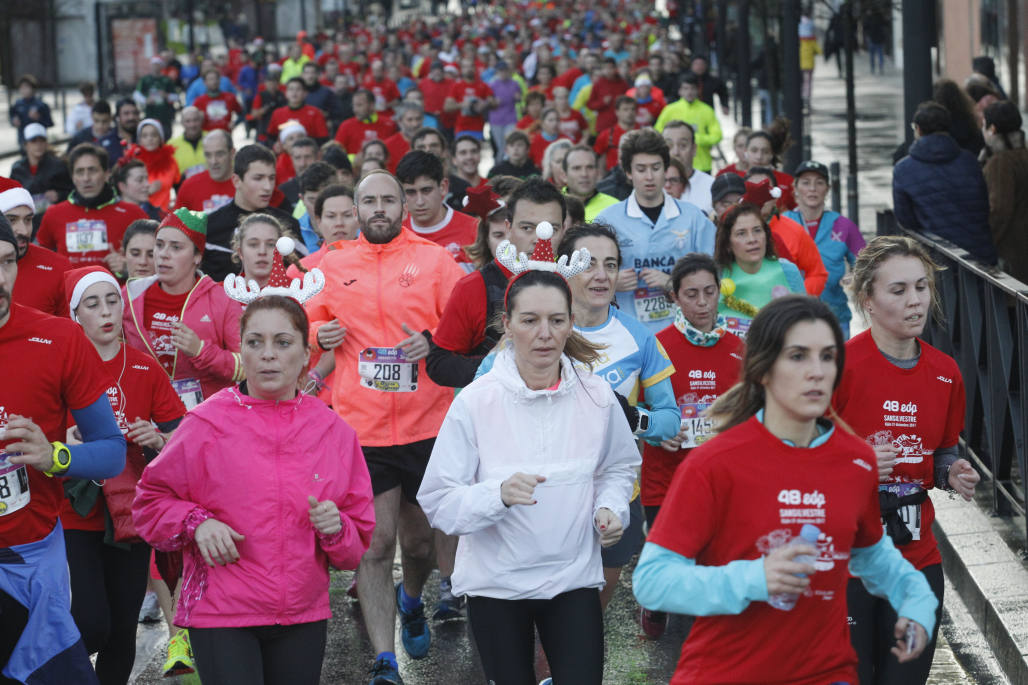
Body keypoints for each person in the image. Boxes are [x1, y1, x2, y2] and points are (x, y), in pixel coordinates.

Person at [633, 294, 939, 685]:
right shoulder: (713, 463)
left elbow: (873, 555)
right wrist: (754, 578)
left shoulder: (856, 462)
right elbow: (653, 580)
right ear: (763, 370)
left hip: (826, 674)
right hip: (725, 673)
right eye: (798, 356)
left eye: (827, 356)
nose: (817, 371)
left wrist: (916, 602)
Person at [417, 227, 640, 685]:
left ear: (571, 322)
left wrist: (610, 507)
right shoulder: (476, 400)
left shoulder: (597, 396)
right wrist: (495, 495)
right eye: (530, 320)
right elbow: (438, 500)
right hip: (496, 587)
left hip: (572, 581)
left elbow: (618, 468)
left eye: (557, 321)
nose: (545, 334)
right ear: (507, 322)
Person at [133, 293, 376, 685]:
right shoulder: (205, 422)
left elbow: (352, 552)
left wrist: (337, 528)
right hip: (221, 612)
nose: (267, 355)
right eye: (254, 342)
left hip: (302, 613)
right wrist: (197, 523)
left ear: (305, 355)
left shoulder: (334, 432)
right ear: (241, 350)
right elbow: (148, 504)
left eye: (282, 343)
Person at [305, 170, 465, 684]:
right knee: (375, 546)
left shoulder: (435, 262)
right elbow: (304, 326)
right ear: (355, 209)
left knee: (419, 547)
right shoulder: (334, 264)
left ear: (403, 206)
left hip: (427, 425)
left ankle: (412, 599)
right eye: (368, 201)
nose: (379, 209)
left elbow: (464, 330)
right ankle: (384, 660)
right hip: (363, 430)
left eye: (388, 200)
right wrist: (316, 331)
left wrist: (434, 343)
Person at [834, 236, 980, 685]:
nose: (915, 301)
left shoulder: (946, 372)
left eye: (922, 287)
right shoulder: (838, 366)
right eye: (898, 291)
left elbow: (941, 451)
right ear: (868, 301)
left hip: (916, 559)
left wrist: (951, 471)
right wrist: (854, 462)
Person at [0, 217, 124, 685]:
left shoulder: (58, 339)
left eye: (7, 263)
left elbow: (111, 451)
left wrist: (55, 456)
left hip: (35, 562)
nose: (0, 279)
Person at [60, 265, 186, 685]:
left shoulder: (145, 368)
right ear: (76, 315)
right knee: (91, 622)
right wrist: (65, 440)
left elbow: (183, 439)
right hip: (76, 513)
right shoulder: (62, 366)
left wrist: (157, 437)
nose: (106, 311)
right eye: (92, 304)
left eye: (112, 300)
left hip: (133, 511)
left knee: (121, 626)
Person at [556, 224, 680, 612]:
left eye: (610, 265)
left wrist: (633, 419)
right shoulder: (539, 326)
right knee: (550, 606)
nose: (601, 275)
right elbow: (481, 390)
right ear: (564, 268)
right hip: (551, 493)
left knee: (592, 607)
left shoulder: (638, 336)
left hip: (616, 495)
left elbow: (670, 421)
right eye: (588, 264)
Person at [636, 253, 744, 638]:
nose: (701, 303)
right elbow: (637, 409)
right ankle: (656, 597)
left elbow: (755, 411)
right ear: (676, 298)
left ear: (720, 293)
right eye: (692, 294)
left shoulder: (740, 348)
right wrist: (657, 431)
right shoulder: (656, 346)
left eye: (709, 292)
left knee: (712, 562)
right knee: (671, 557)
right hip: (666, 475)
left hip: (721, 478)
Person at [427, 177, 567, 389]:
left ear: (563, 230)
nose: (539, 238)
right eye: (527, 228)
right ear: (509, 228)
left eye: (550, 229)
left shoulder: (576, 281)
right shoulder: (474, 287)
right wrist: (494, 364)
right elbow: (439, 364)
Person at [595, 128, 717, 334]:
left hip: (687, 331)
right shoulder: (607, 221)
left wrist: (673, 283)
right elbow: (587, 279)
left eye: (656, 167)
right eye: (641, 169)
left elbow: (715, 275)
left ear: (666, 169)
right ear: (628, 172)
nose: (649, 177)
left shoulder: (693, 218)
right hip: (627, 333)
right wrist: (612, 283)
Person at [122, 209, 244, 406]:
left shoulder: (222, 300)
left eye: (176, 248)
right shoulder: (129, 296)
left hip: (207, 421)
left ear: (197, 256)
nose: (163, 255)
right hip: (144, 420)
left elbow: (249, 364)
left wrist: (201, 351)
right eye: (159, 246)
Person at [892, 102, 996, 264]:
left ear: (918, 129)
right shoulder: (970, 161)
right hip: (978, 254)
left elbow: (906, 219)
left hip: (936, 257)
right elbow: (983, 205)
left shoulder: (903, 169)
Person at [784, 161, 866, 338]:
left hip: (834, 316)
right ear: (795, 188)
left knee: (838, 366)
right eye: (806, 182)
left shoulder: (844, 225)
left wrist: (854, 276)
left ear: (828, 189)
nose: (812, 188)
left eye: (819, 182)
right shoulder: (782, 223)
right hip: (789, 316)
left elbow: (866, 263)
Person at [36, 143, 148, 269]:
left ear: (106, 174)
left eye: (92, 170)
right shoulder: (54, 214)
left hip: (117, 288)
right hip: (69, 288)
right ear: (73, 177)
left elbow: (155, 260)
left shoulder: (134, 214)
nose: (86, 178)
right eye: (80, 171)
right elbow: (39, 261)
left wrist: (129, 268)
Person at [204, 145, 302, 281]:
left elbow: (300, 274)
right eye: (258, 178)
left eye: (271, 178)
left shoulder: (289, 224)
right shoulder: (210, 227)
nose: (268, 187)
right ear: (236, 181)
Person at [715, 203, 806, 337]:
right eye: (741, 233)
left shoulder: (788, 270)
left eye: (757, 230)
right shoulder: (716, 276)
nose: (752, 239)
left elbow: (806, 323)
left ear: (766, 234)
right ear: (728, 243)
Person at [0, 179, 70, 316]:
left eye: (28, 220)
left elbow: (74, 332)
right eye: (11, 220)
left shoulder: (57, 266)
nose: (24, 231)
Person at [396, 150, 479, 265]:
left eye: (426, 190)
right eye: (411, 192)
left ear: (443, 187)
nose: (420, 202)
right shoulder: (394, 232)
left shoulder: (475, 230)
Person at [980, 100, 1028, 283]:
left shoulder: (1000, 163)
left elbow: (999, 209)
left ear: (992, 129)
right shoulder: (1023, 154)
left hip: (1011, 254)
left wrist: (986, 242)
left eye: (983, 125)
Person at [655, 73, 722, 174]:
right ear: (680, 91)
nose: (689, 92)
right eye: (685, 89)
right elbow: (657, 133)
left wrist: (694, 138)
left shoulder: (707, 110)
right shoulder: (670, 110)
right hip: (674, 164)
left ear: (698, 90)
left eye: (692, 88)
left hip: (702, 165)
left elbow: (717, 136)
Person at [10, 122, 72, 219]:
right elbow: (10, 196)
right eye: (33, 141)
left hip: (54, 218)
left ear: (46, 143)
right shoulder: (17, 168)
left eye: (42, 140)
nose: (38, 145)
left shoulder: (59, 166)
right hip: (27, 222)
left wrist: (59, 195)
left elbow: (74, 192)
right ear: (26, 145)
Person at [123, 119, 180, 214]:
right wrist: (147, 192)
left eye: (154, 135)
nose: (150, 139)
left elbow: (177, 186)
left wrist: (176, 203)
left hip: (164, 215)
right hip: (138, 213)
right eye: (145, 136)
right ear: (139, 140)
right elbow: (123, 192)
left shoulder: (171, 162)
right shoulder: (132, 161)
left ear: (160, 139)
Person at [174, 130, 236, 215]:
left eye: (219, 154)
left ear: (232, 154)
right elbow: (176, 224)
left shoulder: (246, 186)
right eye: (208, 155)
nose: (213, 161)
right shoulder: (189, 186)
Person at [662, 121, 713, 214]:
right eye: (669, 146)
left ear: (694, 149)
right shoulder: (651, 186)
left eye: (682, 145)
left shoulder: (711, 186)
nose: (675, 152)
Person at [333, 90, 399, 156]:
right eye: (353, 105)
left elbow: (394, 152)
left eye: (359, 105)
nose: (355, 110)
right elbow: (337, 154)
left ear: (372, 105)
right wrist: (353, 161)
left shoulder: (389, 124)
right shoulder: (346, 125)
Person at [444, 57, 496, 140]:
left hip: (479, 128)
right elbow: (446, 107)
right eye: (465, 67)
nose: (469, 69)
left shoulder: (483, 86)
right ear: (461, 70)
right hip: (461, 128)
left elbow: (494, 102)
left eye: (471, 66)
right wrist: (462, 105)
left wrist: (485, 104)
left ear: (475, 68)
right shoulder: (456, 86)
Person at [268, 77, 330, 145]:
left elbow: (323, 139)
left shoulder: (315, 113)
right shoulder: (277, 113)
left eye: (298, 89)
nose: (294, 92)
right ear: (286, 93)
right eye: (291, 89)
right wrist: (275, 146)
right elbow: (270, 137)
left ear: (305, 93)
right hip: (283, 154)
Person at [562, 146, 618, 221]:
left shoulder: (614, 207)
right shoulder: (553, 203)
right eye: (577, 168)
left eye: (590, 167)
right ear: (564, 175)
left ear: (597, 173)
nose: (584, 174)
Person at [460, 185, 509, 268]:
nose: (507, 242)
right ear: (487, 240)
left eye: (513, 234)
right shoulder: (474, 280)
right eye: (499, 235)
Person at [68, 101, 123, 167]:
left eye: (105, 121)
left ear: (110, 118)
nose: (100, 125)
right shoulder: (80, 137)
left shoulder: (118, 136)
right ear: (91, 117)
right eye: (96, 121)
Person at [134, 56, 178, 139]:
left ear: (161, 66)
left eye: (158, 64)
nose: (155, 67)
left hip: (165, 116)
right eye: (154, 64)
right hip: (150, 115)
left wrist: (166, 95)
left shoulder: (167, 80)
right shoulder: (145, 80)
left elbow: (176, 97)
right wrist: (145, 100)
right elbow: (136, 94)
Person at [594, 95, 638, 172]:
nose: (630, 112)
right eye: (625, 109)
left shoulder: (642, 134)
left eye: (633, 109)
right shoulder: (606, 135)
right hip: (612, 178)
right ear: (617, 112)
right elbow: (598, 158)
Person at [9, 74, 54, 148]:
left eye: (26, 87)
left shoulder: (41, 105)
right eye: (21, 88)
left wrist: (38, 118)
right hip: (23, 140)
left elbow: (50, 123)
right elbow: (12, 118)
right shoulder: (17, 104)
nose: (24, 90)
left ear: (33, 88)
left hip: (38, 141)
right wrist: (14, 121)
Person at [168, 107, 207, 181]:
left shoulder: (212, 139)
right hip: (183, 188)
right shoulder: (171, 145)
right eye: (188, 121)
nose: (192, 125)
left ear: (201, 121)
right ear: (182, 123)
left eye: (195, 120)